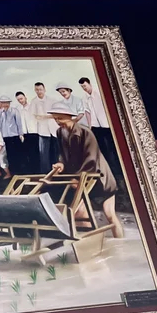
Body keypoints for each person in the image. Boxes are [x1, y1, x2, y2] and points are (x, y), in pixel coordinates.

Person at [47, 102, 124, 239]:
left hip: (99, 178)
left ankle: (121, 244)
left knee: (110, 215)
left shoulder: (85, 133)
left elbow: (91, 159)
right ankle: (89, 244)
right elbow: (64, 154)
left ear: (70, 116)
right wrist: (61, 164)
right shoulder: (60, 132)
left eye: (60, 118)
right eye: (55, 118)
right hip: (81, 180)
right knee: (79, 214)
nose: (58, 122)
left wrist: (75, 178)